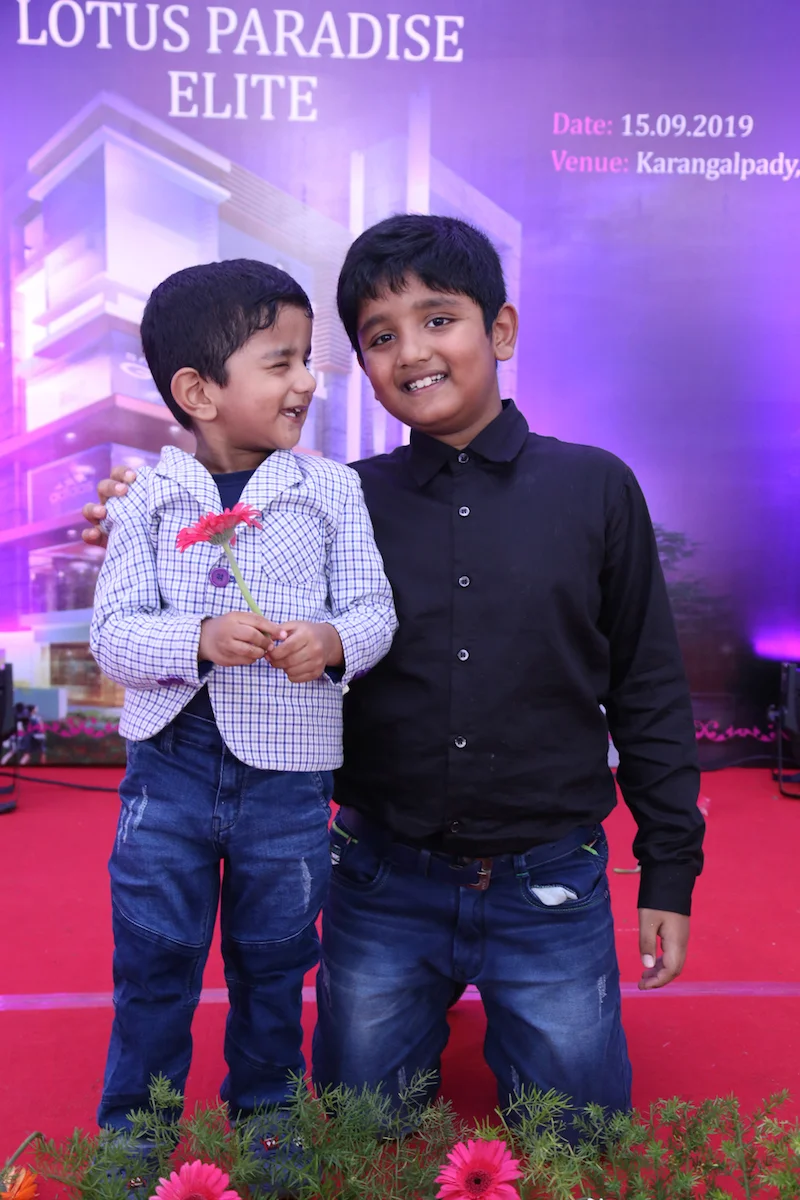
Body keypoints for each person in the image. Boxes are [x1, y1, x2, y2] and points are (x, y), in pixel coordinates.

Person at [83, 217, 704, 1138]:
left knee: (580, 1140)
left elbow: (648, 687)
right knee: (359, 1130)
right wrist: (133, 507)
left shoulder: (595, 488)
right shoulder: (334, 496)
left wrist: (669, 869)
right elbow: (213, 518)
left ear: (500, 329)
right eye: (380, 337)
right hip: (382, 880)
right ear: (367, 367)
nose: (411, 352)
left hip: (548, 879)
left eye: (439, 320)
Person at [87, 259, 397, 1146]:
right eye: (280, 361)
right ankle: (135, 1139)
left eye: (307, 359)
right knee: (155, 961)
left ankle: (269, 1131)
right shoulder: (148, 498)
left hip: (289, 784)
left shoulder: (330, 490)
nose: (307, 381)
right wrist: (197, 637)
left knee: (275, 964)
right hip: (168, 774)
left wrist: (332, 641)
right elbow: (112, 635)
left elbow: (374, 610)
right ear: (198, 392)